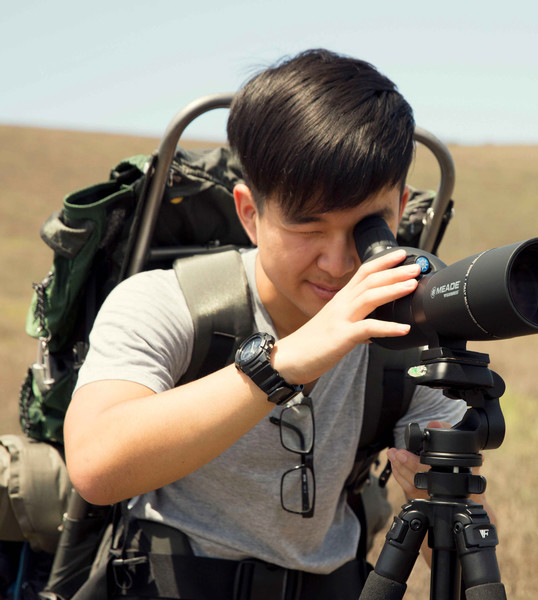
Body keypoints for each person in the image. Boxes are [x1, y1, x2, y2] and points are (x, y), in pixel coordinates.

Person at [64, 49, 490, 599]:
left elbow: (458, 561)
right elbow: (97, 466)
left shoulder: (408, 335)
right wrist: (281, 365)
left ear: (402, 207)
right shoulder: (167, 302)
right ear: (250, 213)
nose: (338, 264)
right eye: (307, 228)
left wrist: (439, 501)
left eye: (368, 227)